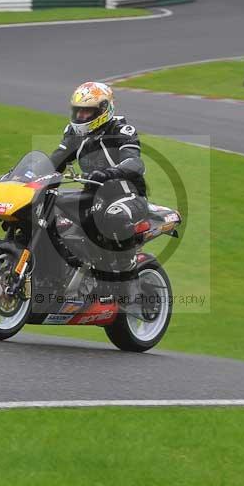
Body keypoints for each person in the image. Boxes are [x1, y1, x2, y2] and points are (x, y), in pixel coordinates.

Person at [50, 81, 148, 317]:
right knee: (50, 205)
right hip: (93, 194)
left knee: (114, 217)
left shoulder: (121, 130)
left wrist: (109, 173)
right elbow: (55, 161)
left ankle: (129, 285)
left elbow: (135, 162)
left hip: (126, 195)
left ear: (104, 109)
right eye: (79, 111)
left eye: (88, 111)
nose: (82, 116)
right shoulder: (74, 133)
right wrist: (29, 176)